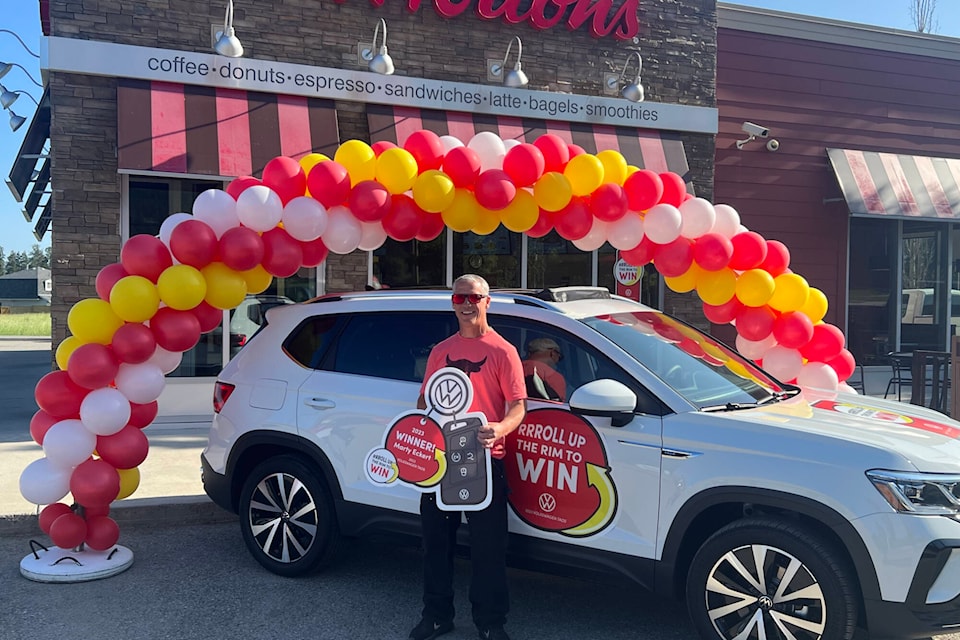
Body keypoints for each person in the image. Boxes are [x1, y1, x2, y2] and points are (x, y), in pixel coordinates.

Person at [409, 274, 527, 640]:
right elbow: (423, 403)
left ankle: (491, 624)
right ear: (452, 303)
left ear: (487, 301)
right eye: (459, 297)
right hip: (442, 462)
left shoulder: (503, 351)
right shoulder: (440, 351)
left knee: (488, 550)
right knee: (435, 545)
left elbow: (519, 406)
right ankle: (437, 615)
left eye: (473, 297)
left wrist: (501, 428)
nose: (465, 303)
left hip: (484, 461)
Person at [521, 337, 567, 402]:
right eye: (559, 357)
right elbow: (558, 407)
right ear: (553, 353)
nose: (558, 361)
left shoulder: (514, 369)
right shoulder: (555, 377)